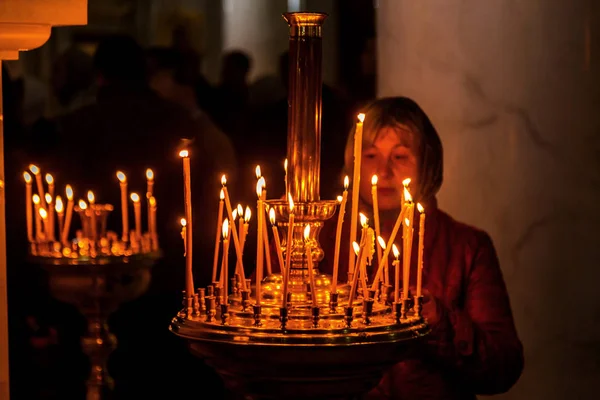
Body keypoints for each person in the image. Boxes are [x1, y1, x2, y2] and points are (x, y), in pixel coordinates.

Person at [317, 96, 524, 399]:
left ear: (427, 165)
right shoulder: (318, 243)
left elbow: (503, 367)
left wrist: (440, 322)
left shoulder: (466, 247)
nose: (384, 172)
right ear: (352, 164)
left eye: (400, 157)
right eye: (371, 156)